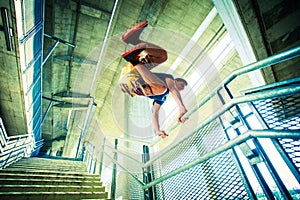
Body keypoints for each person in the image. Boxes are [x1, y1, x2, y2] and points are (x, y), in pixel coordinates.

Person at [119, 20, 188, 138]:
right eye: (180, 85)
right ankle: (134, 41)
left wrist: (158, 130)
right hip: (132, 74)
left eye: (181, 89)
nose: (179, 89)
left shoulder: (162, 97)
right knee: (163, 56)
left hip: (130, 83)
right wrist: (181, 106)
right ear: (175, 81)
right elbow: (172, 88)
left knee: (163, 90)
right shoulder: (168, 79)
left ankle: (134, 57)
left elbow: (155, 113)